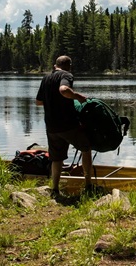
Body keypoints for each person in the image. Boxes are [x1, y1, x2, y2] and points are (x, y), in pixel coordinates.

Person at [35, 55, 93, 197]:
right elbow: (64, 90)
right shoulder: (66, 75)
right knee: (86, 148)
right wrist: (78, 97)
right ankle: (88, 185)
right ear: (69, 66)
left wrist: (52, 102)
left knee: (56, 158)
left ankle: (55, 189)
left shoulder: (46, 78)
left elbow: (38, 102)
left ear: (55, 65)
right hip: (68, 125)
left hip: (51, 126)